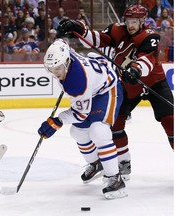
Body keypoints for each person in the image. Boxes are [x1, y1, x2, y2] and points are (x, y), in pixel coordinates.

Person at [58, 4, 174, 180]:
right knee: (115, 123)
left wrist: (135, 69)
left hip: (154, 83)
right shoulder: (117, 30)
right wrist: (79, 28)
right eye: (128, 21)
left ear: (142, 21)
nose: (131, 25)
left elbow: (147, 59)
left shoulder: (150, 36)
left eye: (135, 21)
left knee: (171, 121)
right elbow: (98, 39)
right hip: (128, 85)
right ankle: (123, 162)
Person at [38, 39, 126, 200]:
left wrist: (57, 121)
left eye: (57, 68)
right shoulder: (65, 55)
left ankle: (115, 177)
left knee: (98, 131)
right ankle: (95, 164)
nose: (54, 72)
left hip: (107, 89)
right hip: (92, 84)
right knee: (78, 132)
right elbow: (62, 41)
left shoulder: (76, 81)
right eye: (51, 68)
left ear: (66, 63)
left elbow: (80, 114)